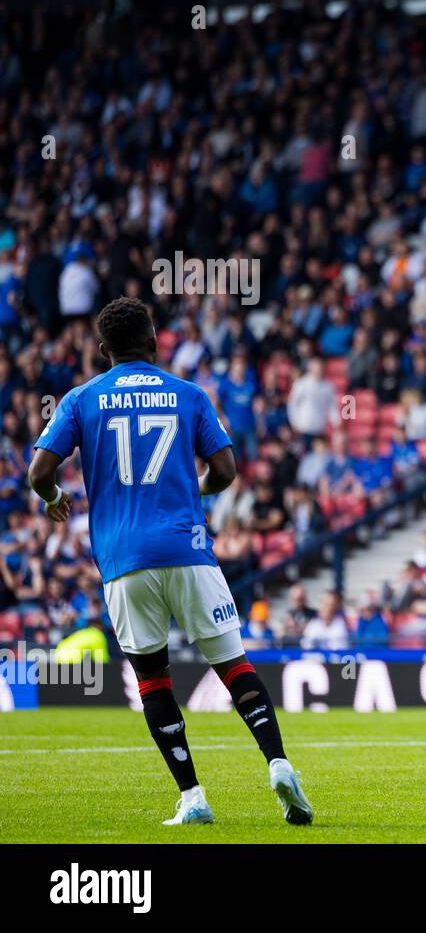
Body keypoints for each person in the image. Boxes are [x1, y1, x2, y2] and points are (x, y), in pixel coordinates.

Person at [26, 296, 312, 826]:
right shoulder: (188, 394)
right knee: (234, 666)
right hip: (189, 551)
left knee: (153, 680)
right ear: (154, 340)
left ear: (102, 347)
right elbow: (225, 470)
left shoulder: (81, 399)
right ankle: (277, 762)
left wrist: (50, 499)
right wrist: (192, 492)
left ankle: (193, 797)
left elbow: (39, 471)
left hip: (125, 559)